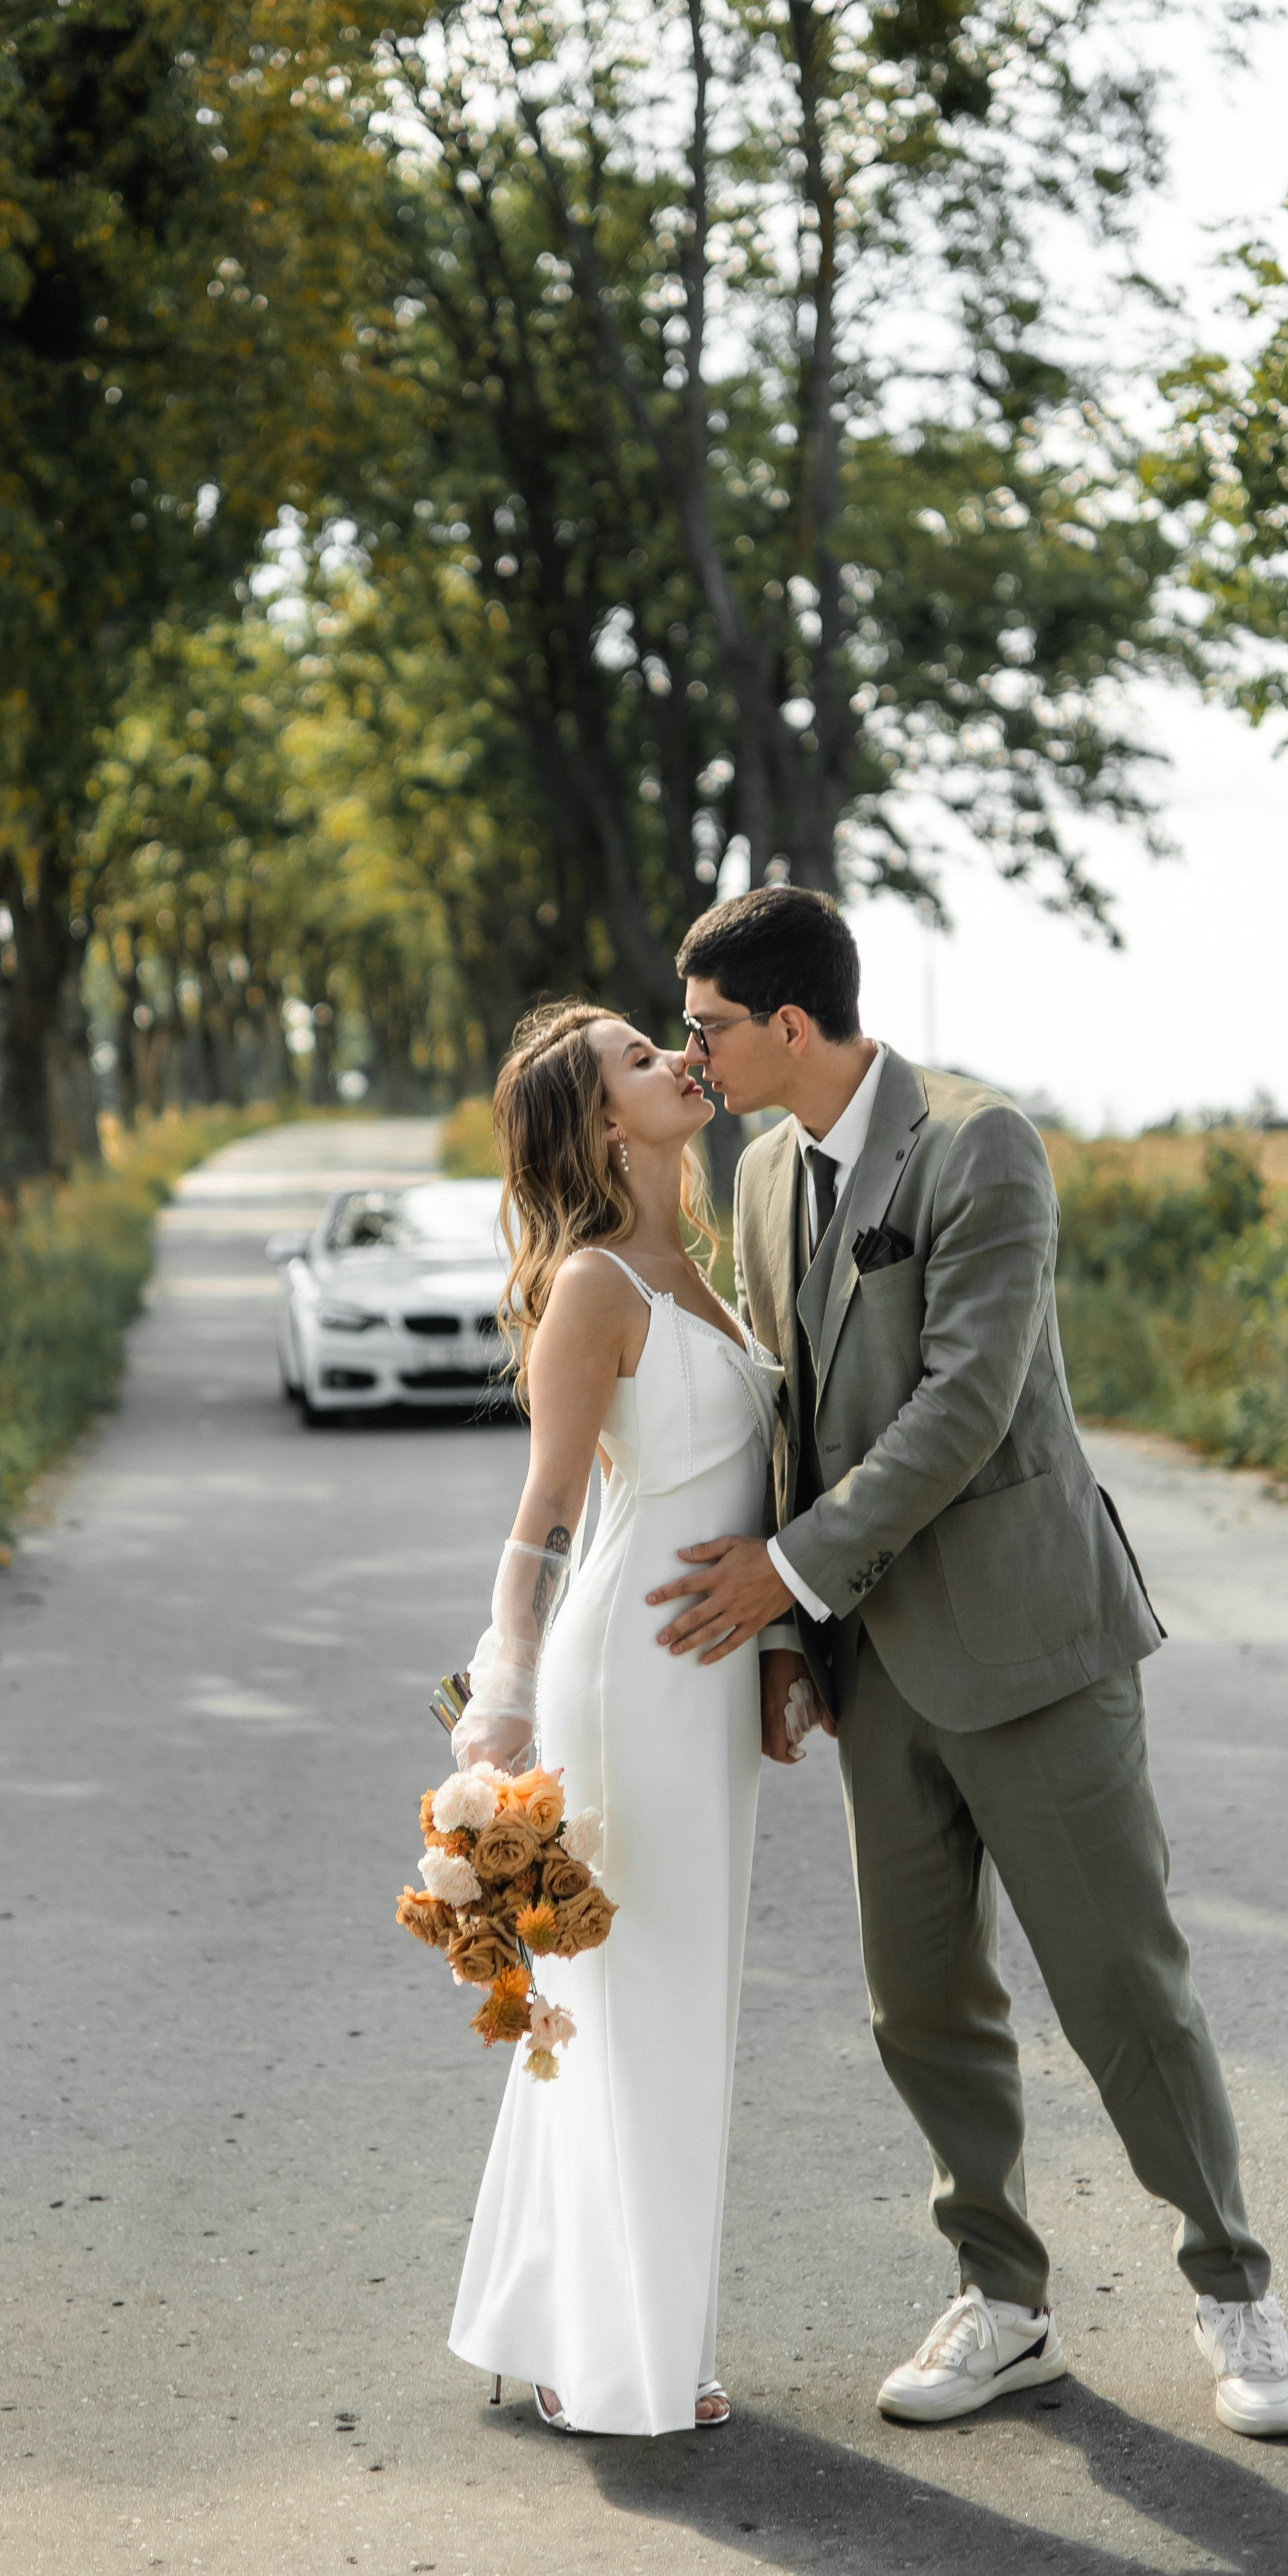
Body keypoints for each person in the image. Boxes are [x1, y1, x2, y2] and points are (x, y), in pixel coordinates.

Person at [645, 883, 1288, 2441]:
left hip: (1032, 1648)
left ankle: (1233, 2291)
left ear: (788, 1024)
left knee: (1119, 1987)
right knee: (917, 2003)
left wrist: (784, 1571)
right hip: (878, 1669)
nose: (695, 1054)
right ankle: (1000, 2301)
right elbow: (788, 1418)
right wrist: (796, 1639)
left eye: (709, 1026)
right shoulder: (750, 1174)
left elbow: (964, 1401)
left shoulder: (975, 1141)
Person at [445, 1000, 783, 2435]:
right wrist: (502, 1697)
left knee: (675, 1998)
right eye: (639, 1060)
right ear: (597, 1124)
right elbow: (542, 1519)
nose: (676, 1062)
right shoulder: (593, 1286)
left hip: (707, 1678)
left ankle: (584, 2310)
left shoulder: (700, 1267)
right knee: (620, 2000)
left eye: (665, 1043)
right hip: (623, 1679)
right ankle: (612, 2342)